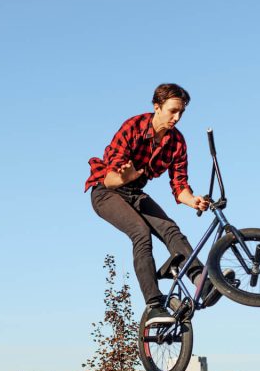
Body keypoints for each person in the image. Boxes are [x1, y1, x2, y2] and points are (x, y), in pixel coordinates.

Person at [85, 84, 216, 325]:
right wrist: (125, 176)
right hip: (106, 193)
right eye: (172, 111)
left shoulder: (176, 142)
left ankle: (201, 283)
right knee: (141, 232)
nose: (176, 118)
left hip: (135, 193)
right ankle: (154, 305)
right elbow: (109, 178)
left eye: (181, 113)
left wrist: (193, 201)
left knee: (170, 229)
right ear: (157, 107)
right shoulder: (133, 127)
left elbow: (179, 186)